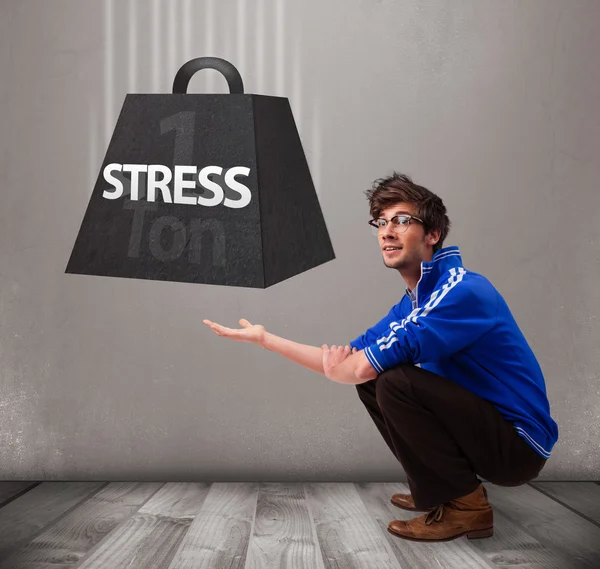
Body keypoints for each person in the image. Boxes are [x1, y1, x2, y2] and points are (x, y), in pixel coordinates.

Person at [203, 172, 559, 543]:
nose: (388, 232)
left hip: (517, 446)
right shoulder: (414, 302)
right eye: (382, 222)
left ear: (433, 234)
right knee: (377, 381)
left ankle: (467, 507)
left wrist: (349, 368)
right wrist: (265, 339)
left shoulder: (462, 291)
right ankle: (441, 489)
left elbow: (353, 367)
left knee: (394, 381)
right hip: (483, 432)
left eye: (403, 221)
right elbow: (344, 363)